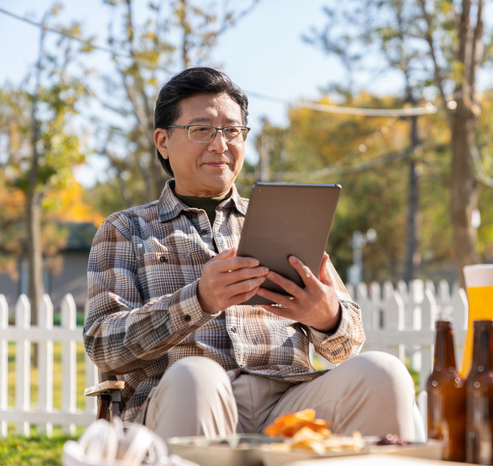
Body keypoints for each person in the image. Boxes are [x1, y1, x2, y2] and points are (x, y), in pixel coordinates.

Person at [83, 67, 417, 441]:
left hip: (290, 400)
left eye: (232, 130)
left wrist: (327, 317)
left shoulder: (288, 218)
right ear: (163, 141)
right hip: (186, 399)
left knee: (382, 374)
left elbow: (348, 344)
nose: (219, 144)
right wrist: (198, 300)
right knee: (198, 376)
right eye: (202, 130)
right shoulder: (125, 230)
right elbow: (103, 346)